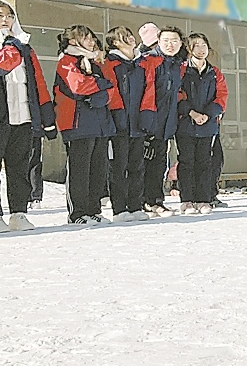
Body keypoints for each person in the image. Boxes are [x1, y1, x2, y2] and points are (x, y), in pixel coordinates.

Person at [0, 0, 56, 233]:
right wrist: (12, 45)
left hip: (22, 117)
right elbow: (1, 65)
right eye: (0, 15)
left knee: (19, 168)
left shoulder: (24, 46)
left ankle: (19, 213)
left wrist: (46, 117)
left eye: (9, 16)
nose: (6, 20)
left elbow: (38, 83)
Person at [54, 24, 115, 225]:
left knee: (98, 168)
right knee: (79, 169)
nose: (91, 41)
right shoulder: (66, 61)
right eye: (85, 37)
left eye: (91, 37)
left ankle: (93, 209)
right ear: (72, 41)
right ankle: (77, 212)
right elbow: (78, 86)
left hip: (100, 123)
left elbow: (112, 88)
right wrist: (101, 85)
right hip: (77, 122)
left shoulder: (96, 62)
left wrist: (101, 91)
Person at [102, 26, 152, 222]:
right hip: (118, 124)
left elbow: (149, 89)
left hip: (138, 123)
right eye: (124, 37)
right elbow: (112, 92)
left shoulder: (142, 63)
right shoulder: (111, 64)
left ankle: (136, 205)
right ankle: (119, 209)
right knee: (118, 167)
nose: (130, 39)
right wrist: (118, 116)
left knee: (137, 166)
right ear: (114, 43)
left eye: (130, 35)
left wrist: (146, 115)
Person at [175, 33, 228, 214]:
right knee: (186, 162)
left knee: (205, 163)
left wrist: (208, 114)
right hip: (186, 124)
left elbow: (222, 97)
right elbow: (177, 94)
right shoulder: (181, 70)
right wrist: (191, 112)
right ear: (189, 49)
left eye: (204, 44)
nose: (201, 48)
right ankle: (187, 200)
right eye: (196, 45)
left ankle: (203, 199)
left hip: (208, 125)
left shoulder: (215, 73)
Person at [138, 26, 185, 215]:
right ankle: (141, 201)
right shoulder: (149, 61)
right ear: (158, 41)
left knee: (159, 164)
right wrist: (146, 123)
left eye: (174, 41)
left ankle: (155, 200)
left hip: (165, 124)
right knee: (143, 164)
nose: (170, 44)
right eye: (166, 40)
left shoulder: (176, 65)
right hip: (148, 122)